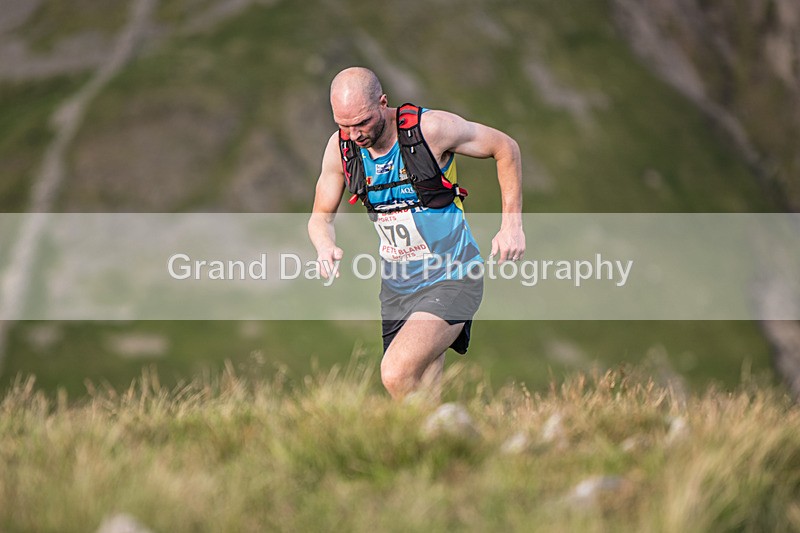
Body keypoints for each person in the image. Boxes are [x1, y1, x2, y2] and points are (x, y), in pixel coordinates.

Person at [308, 66, 525, 400]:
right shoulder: (342, 149)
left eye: (362, 122)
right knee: (422, 393)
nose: (354, 135)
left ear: (383, 103)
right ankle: (445, 443)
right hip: (398, 288)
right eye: (343, 125)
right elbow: (320, 218)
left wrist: (511, 225)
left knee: (396, 372)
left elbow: (505, 147)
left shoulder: (431, 129)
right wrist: (325, 246)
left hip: (453, 275)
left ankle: (450, 433)